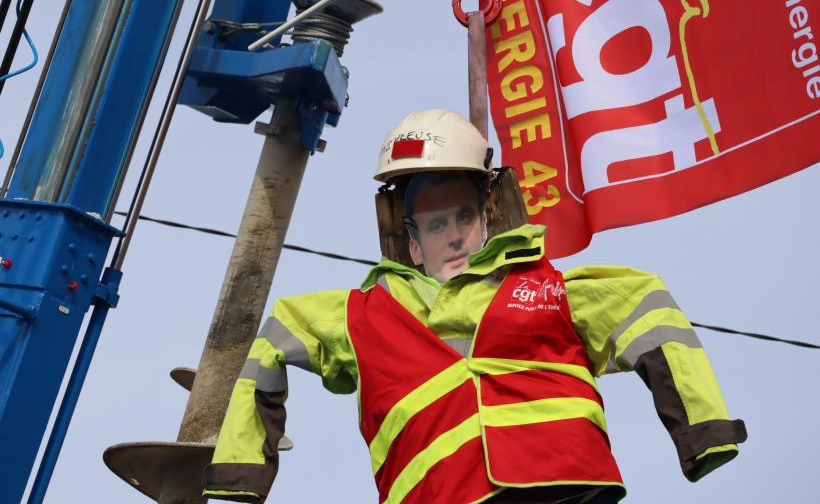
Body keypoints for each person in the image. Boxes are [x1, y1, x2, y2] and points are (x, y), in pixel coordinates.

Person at [202, 109, 746, 504]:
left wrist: (703, 431)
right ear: (411, 242)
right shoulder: (354, 314)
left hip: (564, 486)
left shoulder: (554, 287)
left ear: (487, 218)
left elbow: (652, 309)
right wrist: (242, 466)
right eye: (438, 225)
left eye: (464, 217)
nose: (456, 236)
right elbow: (271, 344)